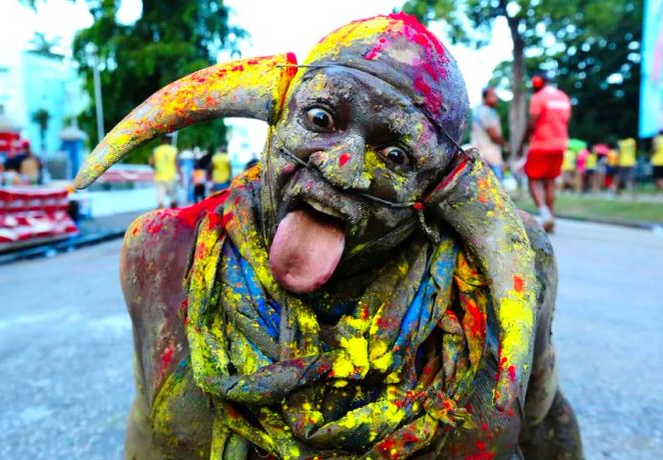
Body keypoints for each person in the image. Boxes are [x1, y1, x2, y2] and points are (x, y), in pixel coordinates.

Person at [73, 14, 582, 459]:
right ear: (278, 118)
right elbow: (148, 427)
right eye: (320, 119)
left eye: (397, 155)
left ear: (437, 188)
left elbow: (541, 422)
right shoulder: (164, 249)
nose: (343, 166)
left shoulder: (509, 274)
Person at [521, 73, 571, 233]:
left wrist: (524, 140)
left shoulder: (538, 97)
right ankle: (551, 216)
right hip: (560, 144)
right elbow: (565, 120)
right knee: (550, 181)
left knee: (533, 180)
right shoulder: (563, 97)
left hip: (541, 144)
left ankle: (545, 214)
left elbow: (532, 122)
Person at [471, 87, 506, 181]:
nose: (496, 98)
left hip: (480, 154)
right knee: (497, 186)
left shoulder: (477, 111)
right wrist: (506, 145)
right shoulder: (488, 112)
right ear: (485, 98)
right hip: (491, 156)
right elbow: (494, 135)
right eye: (493, 96)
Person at [150, 135, 180, 208]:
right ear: (169, 140)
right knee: (173, 198)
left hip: (159, 177)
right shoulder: (174, 150)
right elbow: (176, 164)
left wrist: (156, 167)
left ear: (161, 140)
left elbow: (151, 163)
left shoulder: (156, 150)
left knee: (160, 198)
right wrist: (180, 175)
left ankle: (160, 209)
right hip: (171, 177)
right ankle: (173, 213)